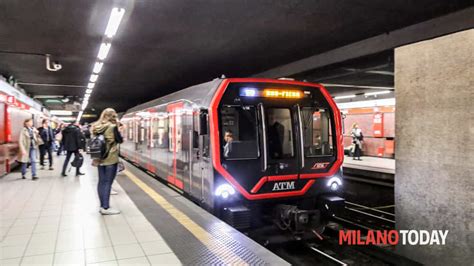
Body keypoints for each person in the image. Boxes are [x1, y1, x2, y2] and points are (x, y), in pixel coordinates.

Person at [92, 108, 123, 215]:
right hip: (110, 157)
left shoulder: (96, 126)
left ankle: (102, 206)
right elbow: (120, 140)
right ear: (113, 116)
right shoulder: (112, 126)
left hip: (99, 157)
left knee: (101, 181)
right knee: (108, 183)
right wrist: (119, 128)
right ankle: (105, 207)